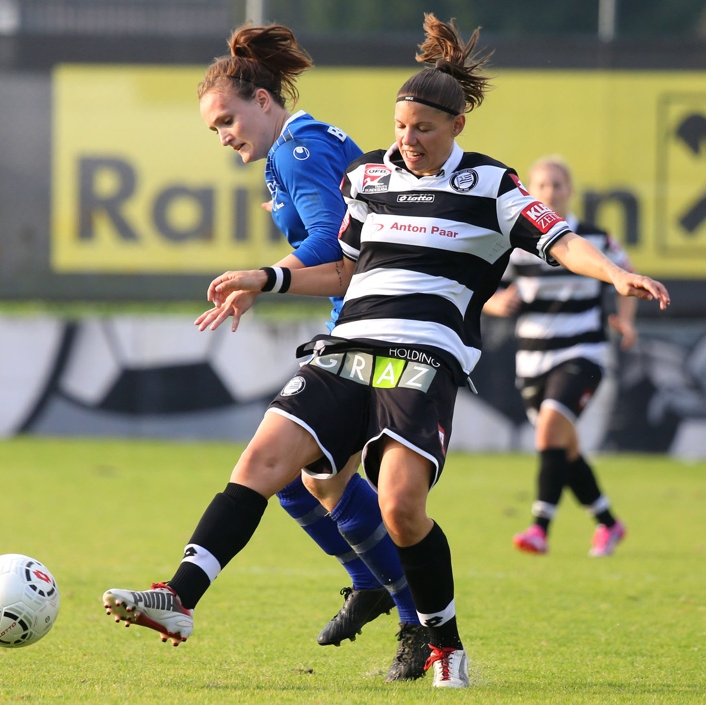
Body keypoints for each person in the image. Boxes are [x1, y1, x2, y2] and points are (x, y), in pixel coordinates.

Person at [103, 14, 670, 690]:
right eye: (401, 128)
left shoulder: (494, 187)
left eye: (423, 130)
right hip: (347, 349)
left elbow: (564, 241)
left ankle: (443, 645)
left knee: (401, 506)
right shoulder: (369, 179)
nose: (408, 141)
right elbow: (342, 268)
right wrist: (266, 277)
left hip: (422, 359)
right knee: (263, 461)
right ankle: (181, 598)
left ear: (456, 127)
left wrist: (613, 273)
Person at [189, 23, 429, 681]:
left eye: (227, 120)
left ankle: (409, 611)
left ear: (263, 101)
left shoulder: (295, 151)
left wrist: (261, 277)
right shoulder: (298, 148)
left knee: (310, 477)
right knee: (303, 479)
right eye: (213, 129)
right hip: (361, 324)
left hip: (375, 331)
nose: (223, 135)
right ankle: (375, 587)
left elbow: (331, 244)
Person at [483, 156, 636, 557]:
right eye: (543, 185)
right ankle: (608, 523)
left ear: (570, 190)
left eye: (558, 185)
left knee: (550, 427)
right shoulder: (516, 245)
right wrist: (495, 304)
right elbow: (481, 288)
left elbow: (626, 271)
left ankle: (539, 528)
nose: (551, 192)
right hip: (532, 361)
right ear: (531, 192)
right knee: (563, 449)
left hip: (583, 352)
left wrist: (625, 320)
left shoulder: (595, 239)